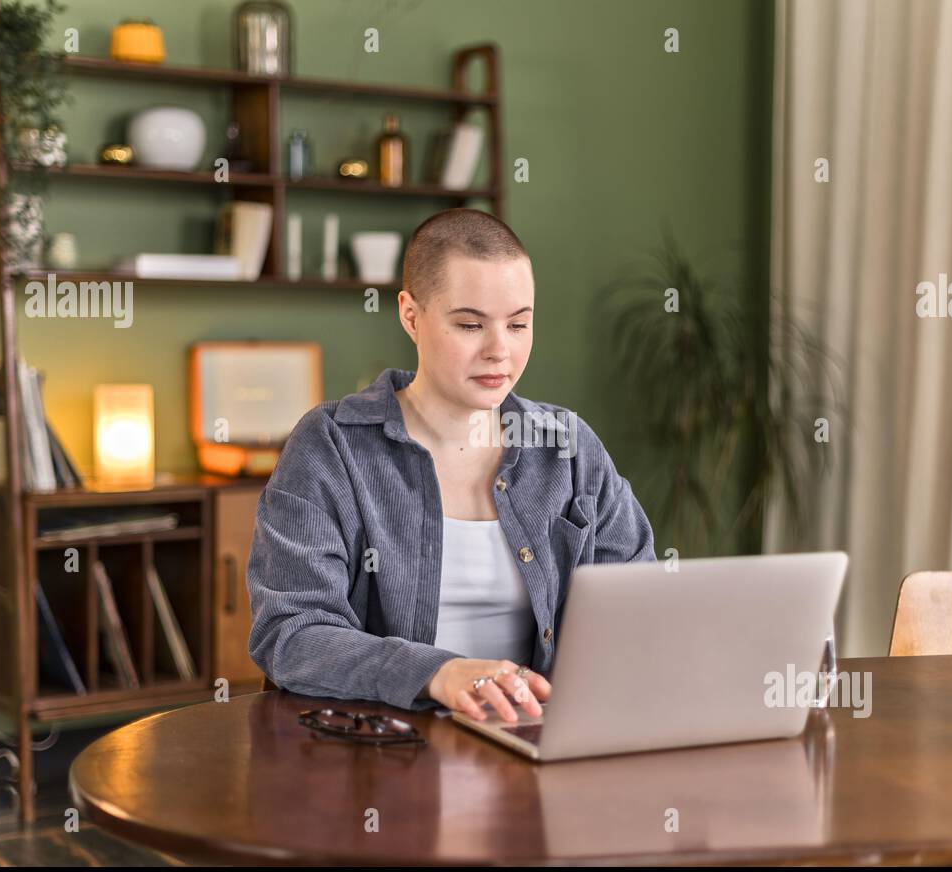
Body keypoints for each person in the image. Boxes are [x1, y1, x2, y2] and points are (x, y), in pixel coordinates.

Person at [247, 208, 655, 722]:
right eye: (470, 324)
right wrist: (437, 673)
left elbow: (640, 607)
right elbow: (291, 632)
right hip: (382, 754)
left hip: (532, 745)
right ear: (410, 315)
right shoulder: (332, 446)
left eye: (519, 324)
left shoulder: (568, 448)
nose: (500, 351)